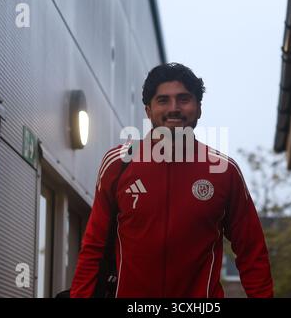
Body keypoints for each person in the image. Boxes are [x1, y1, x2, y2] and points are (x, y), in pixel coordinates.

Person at [70, 63, 273, 298]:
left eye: (184, 99)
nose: (174, 108)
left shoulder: (224, 171)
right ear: (148, 110)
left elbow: (252, 252)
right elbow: (93, 247)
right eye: (163, 100)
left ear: (199, 109)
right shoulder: (119, 163)